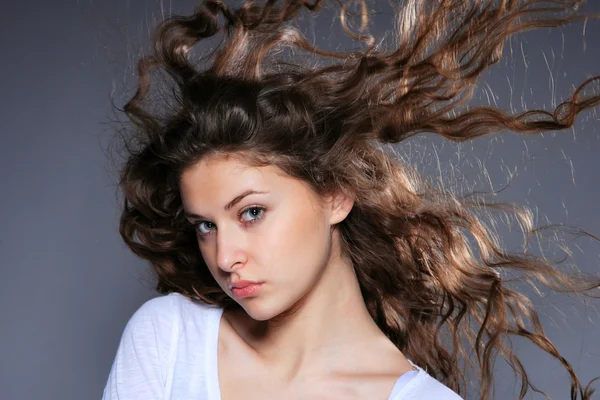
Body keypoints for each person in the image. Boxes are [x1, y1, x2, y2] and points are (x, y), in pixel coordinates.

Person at [102, 0, 600, 399]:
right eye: (205, 226)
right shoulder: (168, 341)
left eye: (251, 213)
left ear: (335, 194)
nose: (226, 257)